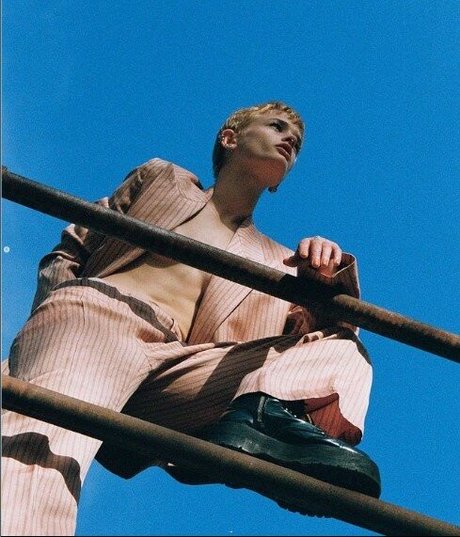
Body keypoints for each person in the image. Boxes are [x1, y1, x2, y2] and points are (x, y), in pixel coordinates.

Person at [1, 101, 381, 536]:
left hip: (181, 371)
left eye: (296, 143)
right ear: (230, 138)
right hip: (100, 319)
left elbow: (318, 338)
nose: (290, 140)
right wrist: (46, 331)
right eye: (277, 126)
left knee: (345, 349)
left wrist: (323, 278)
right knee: (43, 453)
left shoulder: (280, 263)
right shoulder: (163, 179)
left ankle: (260, 425)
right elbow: (74, 248)